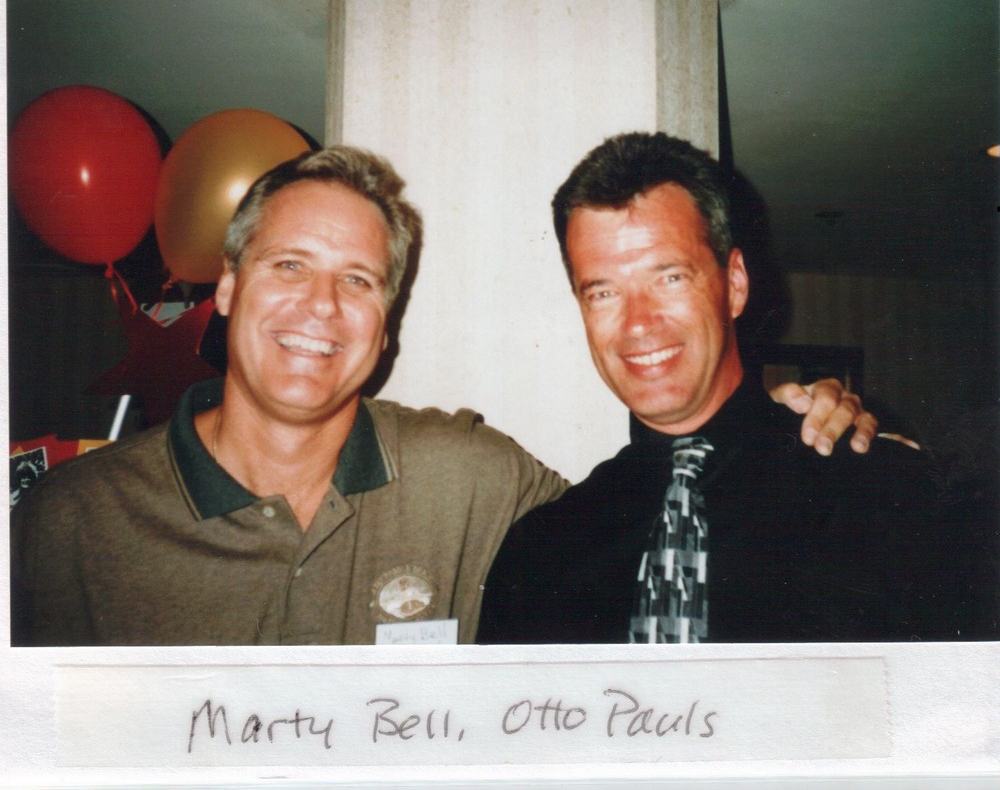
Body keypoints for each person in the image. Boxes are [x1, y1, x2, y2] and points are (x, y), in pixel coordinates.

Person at [10, 145, 874, 646]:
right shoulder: (64, 526)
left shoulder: (470, 479)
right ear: (228, 285)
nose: (321, 306)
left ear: (386, 323)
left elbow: (655, 503)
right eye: (290, 265)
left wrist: (809, 416)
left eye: (358, 279)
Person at [478, 132, 996, 644]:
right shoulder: (540, 552)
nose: (638, 323)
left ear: (735, 284)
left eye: (670, 278)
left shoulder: (890, 496)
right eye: (603, 292)